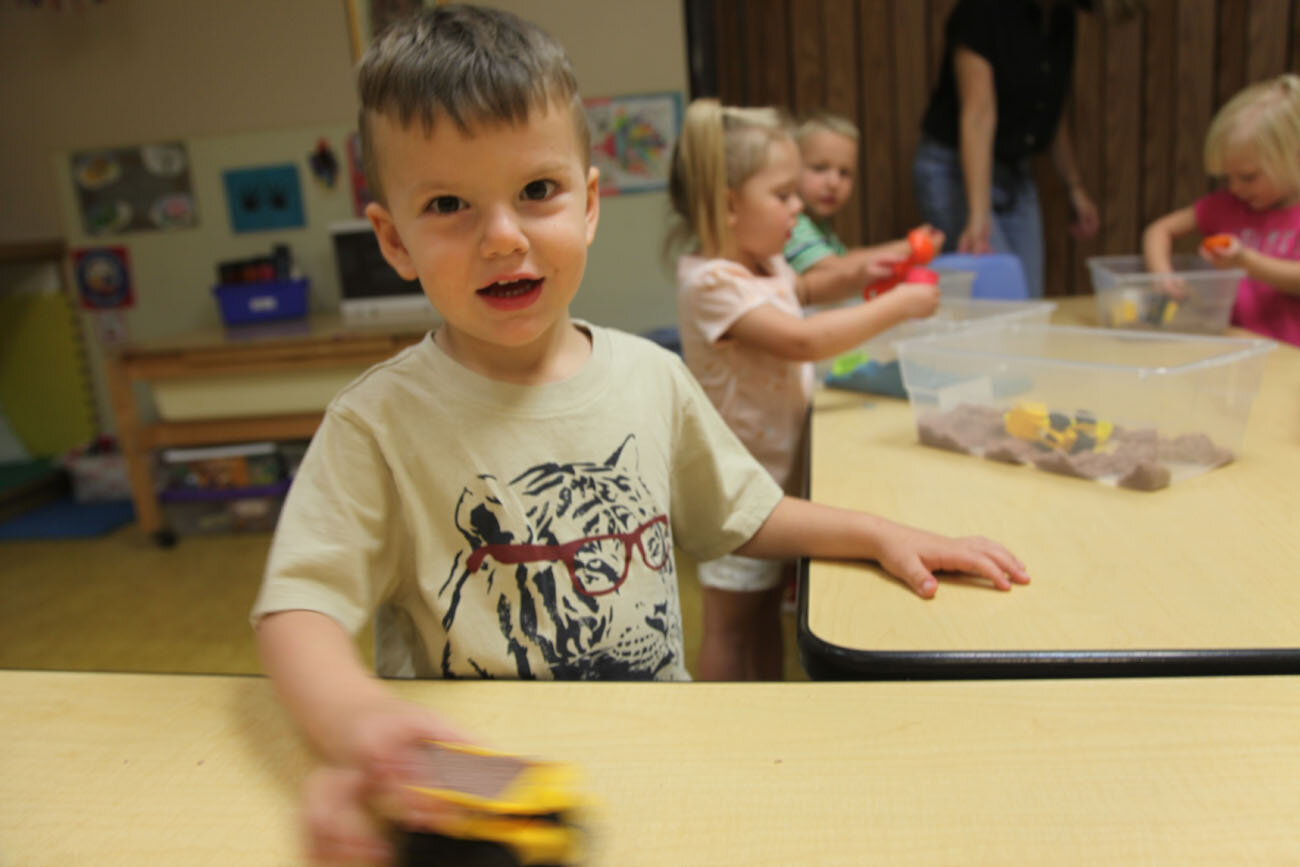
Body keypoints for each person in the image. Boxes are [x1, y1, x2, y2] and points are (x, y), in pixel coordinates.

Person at [253, 7, 1030, 859]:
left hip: (661, 760)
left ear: (588, 205)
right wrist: (359, 717)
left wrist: (876, 531)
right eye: (448, 204)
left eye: (537, 192)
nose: (503, 237)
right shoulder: (375, 424)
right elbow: (298, 606)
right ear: (394, 239)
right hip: (482, 802)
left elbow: (741, 511)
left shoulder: (648, 377)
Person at [668, 99, 1010, 682]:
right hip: (732, 489)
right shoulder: (711, 282)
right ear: (729, 205)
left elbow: (802, 288)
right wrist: (898, 307)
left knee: (761, 615)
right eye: (782, 196)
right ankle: (723, 721)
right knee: (729, 624)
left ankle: (764, 701)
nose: (797, 207)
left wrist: (869, 270)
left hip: (773, 484)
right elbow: (800, 340)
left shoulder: (763, 263)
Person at [912, 0, 1102, 298]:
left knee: (1028, 296)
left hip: (1015, 170)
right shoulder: (983, 11)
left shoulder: (1061, 18)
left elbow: (1051, 111)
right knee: (997, 295)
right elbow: (978, 115)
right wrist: (978, 214)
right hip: (955, 169)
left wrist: (1074, 185)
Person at [1142, 73, 1300, 346]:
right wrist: (1163, 276)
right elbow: (1159, 230)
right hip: (1233, 347)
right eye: (1228, 178)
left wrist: (1245, 261)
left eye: (1248, 177)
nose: (1236, 188)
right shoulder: (1228, 204)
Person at [784, 113, 943, 301]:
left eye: (845, 173)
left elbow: (844, 256)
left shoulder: (818, 225)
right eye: (819, 168)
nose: (834, 183)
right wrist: (909, 246)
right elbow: (835, 266)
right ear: (789, 168)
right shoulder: (792, 222)